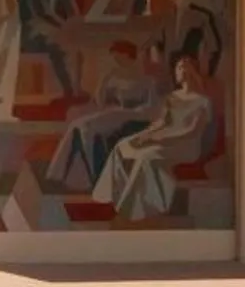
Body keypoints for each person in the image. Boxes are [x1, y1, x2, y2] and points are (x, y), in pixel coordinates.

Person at [92, 55, 218, 221]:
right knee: (122, 146)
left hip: (186, 145)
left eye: (183, 67)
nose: (179, 71)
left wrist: (157, 140)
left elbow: (192, 131)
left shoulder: (203, 101)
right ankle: (113, 196)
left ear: (193, 71)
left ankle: (136, 208)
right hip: (163, 138)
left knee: (147, 156)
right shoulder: (172, 97)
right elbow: (161, 123)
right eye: (178, 67)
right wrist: (142, 136)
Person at [48, 42, 162, 191]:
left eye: (119, 58)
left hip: (133, 117)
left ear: (129, 57)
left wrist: (133, 112)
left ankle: (93, 174)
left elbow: (152, 109)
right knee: (76, 125)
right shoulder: (115, 77)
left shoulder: (146, 80)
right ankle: (62, 173)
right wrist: (105, 79)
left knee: (87, 128)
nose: (117, 61)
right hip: (115, 114)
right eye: (115, 58)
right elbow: (100, 102)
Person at [13, 0, 83, 101]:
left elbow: (73, 12)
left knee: (77, 44)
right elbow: (44, 12)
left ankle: (76, 89)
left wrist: (78, 23)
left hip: (51, 30)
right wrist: (64, 27)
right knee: (59, 46)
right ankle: (69, 91)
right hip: (31, 32)